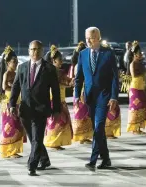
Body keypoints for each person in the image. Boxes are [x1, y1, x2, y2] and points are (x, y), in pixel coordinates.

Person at [9, 40, 61, 176]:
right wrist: (12, 104)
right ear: (28, 51)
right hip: (25, 110)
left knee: (37, 139)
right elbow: (15, 87)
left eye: (37, 49)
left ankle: (32, 164)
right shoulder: (22, 68)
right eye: (32, 49)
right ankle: (44, 159)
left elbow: (56, 91)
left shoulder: (49, 69)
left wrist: (56, 110)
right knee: (33, 138)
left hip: (41, 109)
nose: (35, 52)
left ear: (42, 51)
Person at [75, 27, 119, 170]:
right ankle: (106, 159)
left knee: (99, 127)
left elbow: (114, 77)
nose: (88, 40)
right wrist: (76, 95)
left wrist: (114, 97)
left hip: (104, 96)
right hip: (90, 97)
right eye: (87, 37)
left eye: (92, 38)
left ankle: (93, 160)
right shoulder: (82, 54)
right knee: (97, 129)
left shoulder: (108, 54)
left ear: (98, 38)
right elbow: (79, 78)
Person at [44, 45, 74, 150]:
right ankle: (52, 142)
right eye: (59, 59)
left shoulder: (61, 72)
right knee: (54, 121)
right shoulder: (48, 72)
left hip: (62, 100)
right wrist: (67, 83)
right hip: (53, 100)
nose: (61, 61)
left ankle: (59, 141)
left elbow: (68, 80)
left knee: (62, 121)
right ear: (53, 60)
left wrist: (72, 81)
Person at [0, 46, 26, 158]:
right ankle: (9, 151)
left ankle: (15, 150)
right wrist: (13, 86)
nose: (15, 64)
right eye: (13, 62)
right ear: (8, 63)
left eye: (16, 62)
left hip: (17, 101)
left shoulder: (17, 73)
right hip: (8, 102)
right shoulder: (7, 74)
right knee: (10, 126)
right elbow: (4, 86)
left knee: (18, 126)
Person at [126, 41, 146, 135]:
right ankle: (134, 128)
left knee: (142, 105)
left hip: (141, 86)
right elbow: (134, 74)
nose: (141, 55)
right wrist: (143, 72)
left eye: (141, 53)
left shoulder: (140, 63)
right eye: (139, 53)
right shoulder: (133, 64)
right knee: (136, 107)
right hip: (135, 87)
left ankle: (139, 127)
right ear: (134, 54)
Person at [72, 65, 93, 144]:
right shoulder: (78, 66)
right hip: (80, 92)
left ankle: (86, 136)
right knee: (80, 114)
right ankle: (80, 136)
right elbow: (78, 80)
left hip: (86, 91)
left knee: (87, 114)